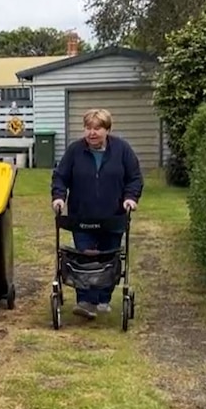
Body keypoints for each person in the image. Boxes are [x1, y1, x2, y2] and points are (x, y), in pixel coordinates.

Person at [51, 108, 143, 320]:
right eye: (88, 128)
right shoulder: (75, 151)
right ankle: (86, 301)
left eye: (97, 128)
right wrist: (58, 197)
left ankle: (103, 299)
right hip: (82, 216)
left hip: (113, 216)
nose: (92, 133)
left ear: (107, 130)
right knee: (86, 258)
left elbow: (134, 177)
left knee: (108, 257)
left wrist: (131, 198)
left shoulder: (122, 150)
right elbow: (60, 177)